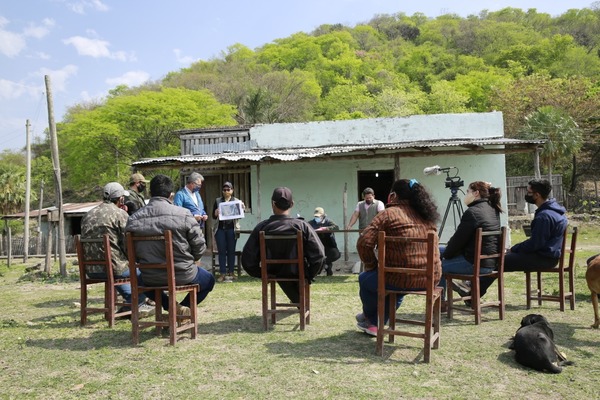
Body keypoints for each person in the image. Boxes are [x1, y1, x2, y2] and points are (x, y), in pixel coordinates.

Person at [355, 179, 441, 336]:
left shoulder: (388, 214)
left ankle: (370, 318)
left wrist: (371, 265)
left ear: (393, 196)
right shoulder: (427, 216)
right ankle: (375, 323)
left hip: (398, 278)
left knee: (365, 279)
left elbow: (364, 243)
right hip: (430, 278)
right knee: (398, 290)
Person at [126, 174, 215, 316]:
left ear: (150, 192)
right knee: (209, 280)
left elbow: (128, 251)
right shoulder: (184, 214)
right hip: (182, 273)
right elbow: (199, 246)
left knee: (139, 281)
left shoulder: (133, 219)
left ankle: (172, 307)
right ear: (170, 194)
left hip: (150, 276)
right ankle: (180, 310)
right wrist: (189, 260)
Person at [80, 182, 153, 317]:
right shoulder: (120, 214)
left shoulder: (87, 215)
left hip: (90, 270)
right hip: (114, 269)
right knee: (144, 272)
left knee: (119, 270)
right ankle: (135, 303)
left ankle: (130, 304)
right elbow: (128, 244)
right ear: (121, 199)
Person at [241, 187, 326, 303]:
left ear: (272, 204)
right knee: (291, 269)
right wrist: (309, 275)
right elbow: (319, 255)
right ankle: (300, 301)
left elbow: (247, 259)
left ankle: (298, 300)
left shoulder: (262, 227)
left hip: (273, 271)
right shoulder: (302, 226)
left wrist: (263, 273)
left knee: (281, 270)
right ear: (292, 204)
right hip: (297, 271)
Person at [440, 181, 502, 301]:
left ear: (476, 193)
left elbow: (458, 241)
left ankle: (440, 303)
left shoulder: (472, 212)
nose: (466, 195)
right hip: (490, 262)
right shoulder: (493, 209)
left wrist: (446, 256)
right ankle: (462, 288)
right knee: (437, 250)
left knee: (437, 266)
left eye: (468, 191)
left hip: (474, 264)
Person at [212, 181, 244, 283]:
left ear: (232, 190)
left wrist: (242, 208)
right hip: (220, 229)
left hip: (232, 229)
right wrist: (216, 213)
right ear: (222, 191)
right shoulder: (218, 201)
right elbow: (213, 216)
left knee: (231, 251)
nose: (226, 191)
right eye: (224, 190)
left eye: (228, 189)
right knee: (222, 251)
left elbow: (239, 216)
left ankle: (231, 272)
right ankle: (222, 273)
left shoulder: (236, 201)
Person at [308, 207, 340, 276]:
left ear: (323, 216)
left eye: (319, 216)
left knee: (335, 255)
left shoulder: (328, 222)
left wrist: (325, 228)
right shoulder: (311, 223)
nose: (317, 218)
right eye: (316, 216)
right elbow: (305, 228)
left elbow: (336, 227)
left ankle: (327, 268)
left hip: (329, 245)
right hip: (316, 246)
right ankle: (318, 269)